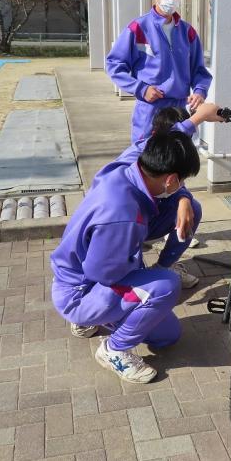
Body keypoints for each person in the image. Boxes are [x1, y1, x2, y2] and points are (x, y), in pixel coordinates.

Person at [50, 131, 201, 383]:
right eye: (182, 182)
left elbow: (149, 140)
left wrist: (184, 197)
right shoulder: (123, 217)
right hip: (81, 292)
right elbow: (102, 273)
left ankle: (105, 318)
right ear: (170, 180)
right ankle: (113, 349)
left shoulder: (130, 165)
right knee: (165, 286)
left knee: (168, 336)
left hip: (86, 272)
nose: (182, 186)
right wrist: (148, 276)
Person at [89, 103, 225, 291]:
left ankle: (162, 268)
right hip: (88, 277)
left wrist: (183, 198)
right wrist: (197, 117)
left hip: (138, 226)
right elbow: (97, 269)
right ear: (155, 138)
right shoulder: (129, 172)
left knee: (193, 208)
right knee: (158, 289)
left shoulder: (159, 164)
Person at [106, 0, 213, 142]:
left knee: (178, 156)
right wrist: (141, 89)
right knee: (146, 155)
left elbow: (199, 71)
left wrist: (200, 91)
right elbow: (114, 65)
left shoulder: (188, 32)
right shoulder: (138, 28)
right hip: (150, 110)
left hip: (179, 109)